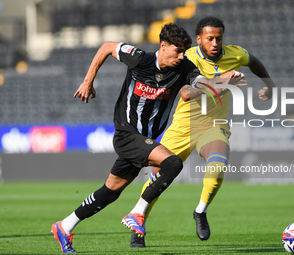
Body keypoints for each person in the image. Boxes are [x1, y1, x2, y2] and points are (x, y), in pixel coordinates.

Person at [50, 22, 241, 254]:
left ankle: (64, 226)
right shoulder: (139, 58)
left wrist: (221, 81)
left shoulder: (185, 69)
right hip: (126, 134)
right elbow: (107, 47)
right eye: (177, 51)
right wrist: (88, 81)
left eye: (184, 51)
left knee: (110, 191)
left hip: (144, 140)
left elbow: (190, 91)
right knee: (172, 164)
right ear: (163, 45)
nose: (182, 56)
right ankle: (137, 213)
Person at [129, 16, 276, 247]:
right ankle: (139, 224)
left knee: (218, 164)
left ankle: (200, 211)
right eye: (210, 39)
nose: (215, 43)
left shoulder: (235, 54)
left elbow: (254, 62)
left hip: (214, 125)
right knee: (158, 175)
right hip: (183, 126)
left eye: (219, 38)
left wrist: (270, 85)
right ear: (199, 39)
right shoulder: (187, 57)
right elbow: (186, 93)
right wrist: (222, 80)